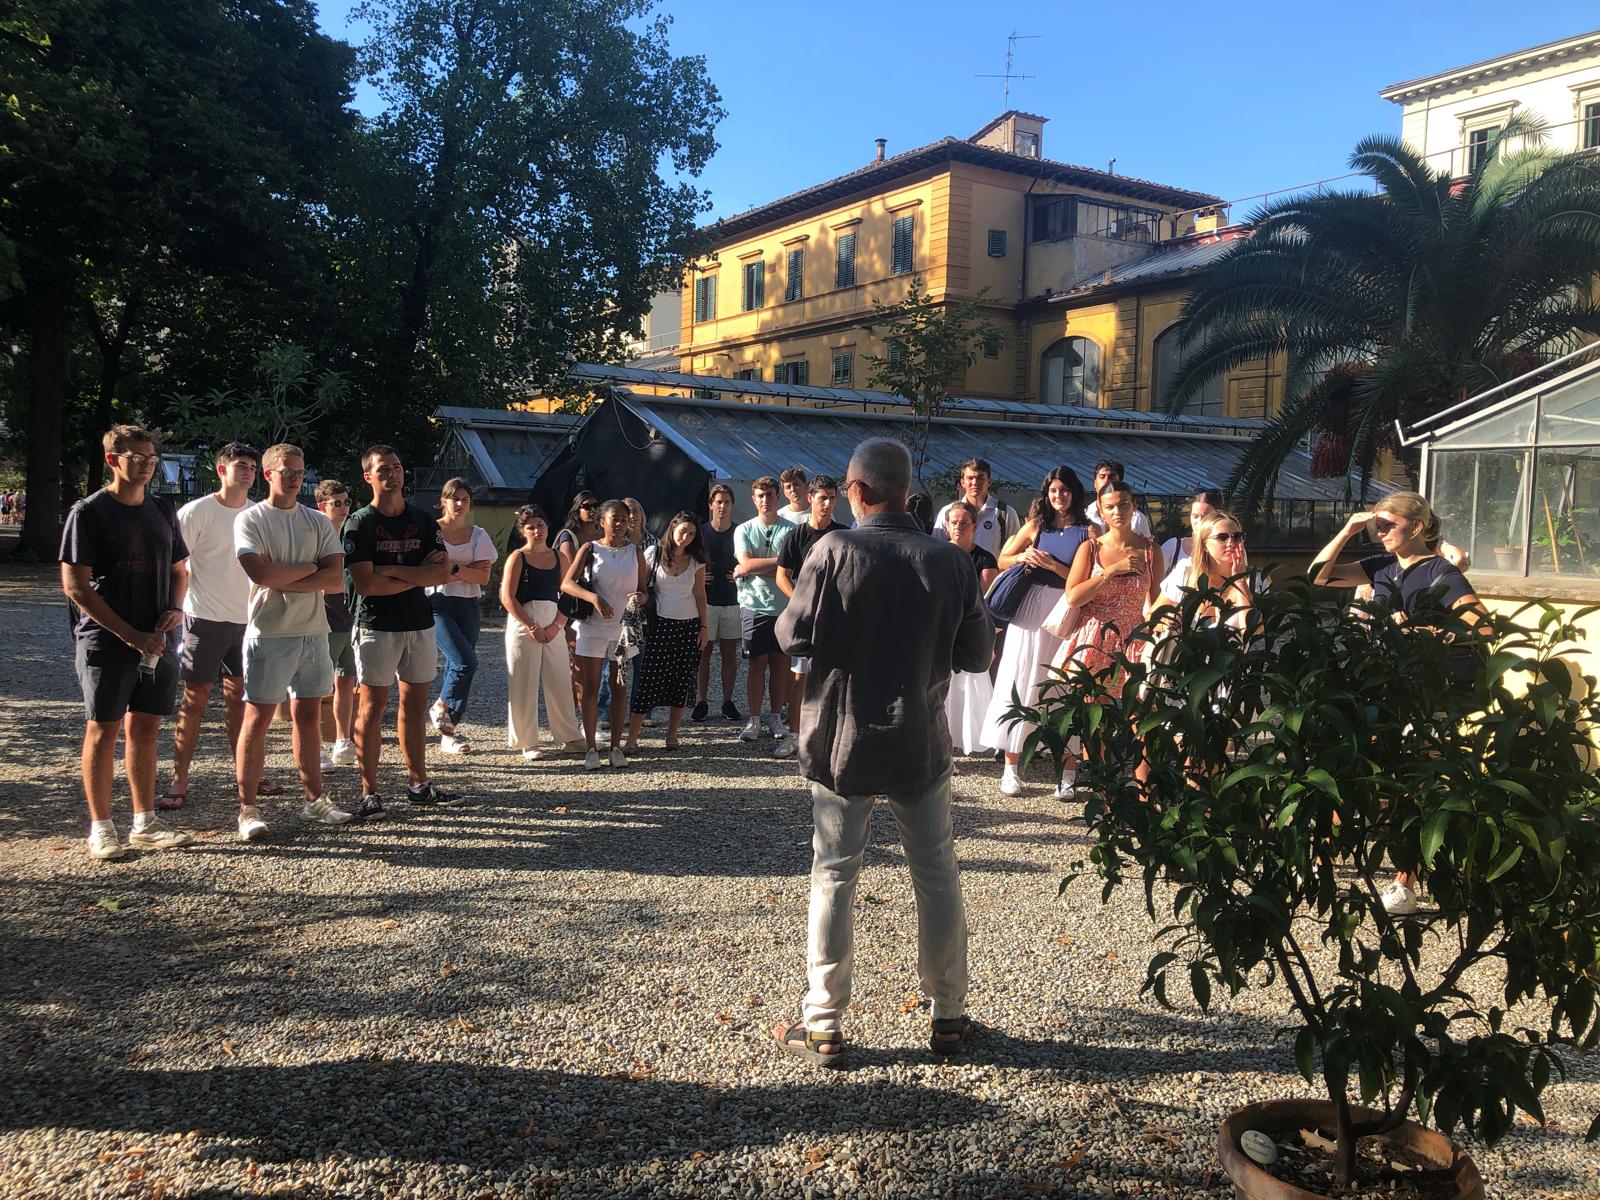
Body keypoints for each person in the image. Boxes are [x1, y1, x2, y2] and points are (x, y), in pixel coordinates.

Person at [771, 438, 993, 1065]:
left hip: (841, 744)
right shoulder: (951, 560)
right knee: (936, 871)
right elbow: (977, 656)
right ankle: (949, 1015)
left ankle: (822, 1022)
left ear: (861, 492)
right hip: (920, 741)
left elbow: (790, 636)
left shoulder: (833, 551)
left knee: (835, 872)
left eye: (846, 487)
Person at [1309, 492, 1486, 916]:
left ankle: (1406, 881)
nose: (1381, 532)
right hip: (1380, 686)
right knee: (1351, 769)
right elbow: (1317, 576)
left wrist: (1424, 631)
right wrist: (1349, 530)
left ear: (1418, 527)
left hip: (1422, 694)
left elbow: (1481, 626)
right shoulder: (1382, 566)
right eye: (1377, 526)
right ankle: (1322, 863)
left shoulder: (1440, 572)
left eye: (1388, 525)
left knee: (1413, 783)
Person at [61, 425, 195, 861]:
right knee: (103, 729)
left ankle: (145, 822)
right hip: (108, 640)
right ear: (112, 459)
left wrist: (175, 608)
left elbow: (181, 568)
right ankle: (101, 827)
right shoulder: (90, 512)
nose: (146, 464)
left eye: (152, 457)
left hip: (157, 639)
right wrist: (129, 634)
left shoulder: (160, 508)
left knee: (146, 728)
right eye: (136, 456)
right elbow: (75, 587)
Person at [232, 444, 353, 838]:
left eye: (300, 472)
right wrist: (307, 569)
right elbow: (260, 574)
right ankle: (248, 809)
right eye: (286, 471)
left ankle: (314, 800)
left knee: (307, 715)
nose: (295, 478)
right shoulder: (251, 519)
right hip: (268, 632)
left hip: (313, 632)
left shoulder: (317, 522)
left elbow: (334, 579)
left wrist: (286, 573)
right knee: (258, 717)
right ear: (268, 474)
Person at [342, 444, 458, 816]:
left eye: (397, 467)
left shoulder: (423, 520)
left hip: (419, 623)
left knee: (413, 705)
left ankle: (418, 784)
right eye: (383, 469)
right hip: (376, 626)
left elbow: (442, 572)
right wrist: (416, 575)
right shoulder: (360, 523)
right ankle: (369, 792)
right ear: (368, 476)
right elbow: (365, 584)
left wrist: (390, 570)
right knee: (372, 708)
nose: (392, 474)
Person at [979, 466, 1093, 797]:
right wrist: (1023, 556)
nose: (1059, 496)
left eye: (1065, 490)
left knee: (1062, 684)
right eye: (1054, 490)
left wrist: (1054, 566)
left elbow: (1085, 576)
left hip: (1064, 607)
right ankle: (1011, 767)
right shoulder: (1036, 525)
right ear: (1047, 493)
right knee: (1019, 678)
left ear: (1075, 493)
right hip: (1029, 606)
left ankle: (1067, 772)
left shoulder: (1089, 531)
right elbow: (1002, 558)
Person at [1053, 480, 1164, 793]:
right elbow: (1073, 596)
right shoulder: (1091, 548)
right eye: (1111, 506)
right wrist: (1111, 570)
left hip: (1136, 637)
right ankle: (1101, 795)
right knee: (1096, 721)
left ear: (1133, 507)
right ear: (1100, 510)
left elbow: (1156, 600)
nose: (1118, 511)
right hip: (1096, 636)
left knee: (1143, 719)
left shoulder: (1151, 549)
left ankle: (1145, 793)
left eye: (1124, 504)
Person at [165, 442, 259, 810]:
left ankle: (245, 775)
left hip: (249, 622)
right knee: (195, 700)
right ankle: (179, 779)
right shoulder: (195, 512)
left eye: (252, 465)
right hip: (203, 619)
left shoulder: (257, 513)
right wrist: (174, 607)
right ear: (221, 470)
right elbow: (177, 566)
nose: (247, 471)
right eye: (240, 464)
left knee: (241, 700)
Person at [562, 499, 649, 770]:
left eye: (625, 518)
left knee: (620, 686)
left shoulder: (635, 552)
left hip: (623, 629)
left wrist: (640, 597)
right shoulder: (590, 548)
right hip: (592, 628)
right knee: (590, 687)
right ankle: (591, 748)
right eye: (616, 518)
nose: (621, 523)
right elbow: (566, 583)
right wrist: (594, 598)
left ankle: (615, 747)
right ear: (602, 521)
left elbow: (645, 590)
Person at [772, 474, 847, 760]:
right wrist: (803, 603)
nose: (827, 503)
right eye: (822, 498)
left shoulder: (842, 534)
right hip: (805, 617)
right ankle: (794, 734)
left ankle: (832, 734)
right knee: (799, 675)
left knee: (835, 674)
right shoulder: (796, 535)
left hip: (836, 617)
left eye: (831, 498)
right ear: (811, 499)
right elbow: (782, 576)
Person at [501, 505, 583, 759]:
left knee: (559, 678)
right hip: (524, 622)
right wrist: (532, 626)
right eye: (531, 527)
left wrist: (558, 625)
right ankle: (528, 740)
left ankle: (569, 735)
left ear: (548, 527)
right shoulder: (518, 557)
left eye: (540, 525)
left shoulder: (560, 557)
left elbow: (568, 595)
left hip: (553, 622)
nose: (537, 531)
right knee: (523, 681)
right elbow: (507, 597)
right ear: (523, 531)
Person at [623, 512, 708, 753]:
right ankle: (632, 738)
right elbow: (643, 586)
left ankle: (672, 735)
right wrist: (639, 598)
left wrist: (704, 627)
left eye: (691, 533)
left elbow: (701, 595)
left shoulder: (696, 560)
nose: (686, 537)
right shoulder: (654, 553)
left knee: (680, 682)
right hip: (659, 624)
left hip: (688, 624)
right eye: (683, 531)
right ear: (672, 529)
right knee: (647, 681)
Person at [426, 478, 496, 754]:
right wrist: (465, 569)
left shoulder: (478, 535)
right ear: (443, 501)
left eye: (465, 499)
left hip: (468, 604)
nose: (460, 503)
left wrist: (453, 567)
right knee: (465, 662)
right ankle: (441, 705)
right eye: (454, 498)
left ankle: (449, 733)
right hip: (437, 602)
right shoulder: (431, 532)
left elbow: (484, 576)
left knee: (458, 667)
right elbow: (430, 570)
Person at [734, 476, 794, 743]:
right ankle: (754, 720)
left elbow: (791, 569)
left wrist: (757, 567)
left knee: (780, 663)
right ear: (754, 499)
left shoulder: (791, 530)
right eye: (760, 495)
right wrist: (777, 565)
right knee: (756, 663)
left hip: (783, 606)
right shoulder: (744, 530)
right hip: (753, 605)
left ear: (777, 497)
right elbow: (745, 563)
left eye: (770, 494)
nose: (765, 500)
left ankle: (776, 719)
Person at [943, 502, 999, 755]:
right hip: (943, 627)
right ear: (946, 525)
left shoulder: (985, 558)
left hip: (970, 628)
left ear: (975, 526)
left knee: (971, 685)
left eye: (964, 523)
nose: (958, 527)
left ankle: (970, 738)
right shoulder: (938, 554)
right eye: (953, 522)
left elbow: (983, 601)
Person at [314, 480, 359, 771]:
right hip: (324, 613)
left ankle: (343, 739)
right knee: (317, 682)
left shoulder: (352, 532)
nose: (343, 508)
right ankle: (314, 744)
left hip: (351, 612)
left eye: (346, 502)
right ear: (322, 506)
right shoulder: (315, 534)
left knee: (346, 680)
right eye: (337, 503)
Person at [693, 483, 743, 723]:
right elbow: (688, 561)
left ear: (733, 505)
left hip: (733, 601)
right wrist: (699, 577)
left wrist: (742, 572)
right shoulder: (700, 533)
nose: (723, 506)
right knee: (703, 652)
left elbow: (750, 560)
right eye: (719, 502)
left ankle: (727, 701)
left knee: (729, 653)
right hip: (706, 602)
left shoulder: (740, 532)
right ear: (711, 505)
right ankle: (701, 700)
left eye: (727, 502)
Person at [932, 458, 1021, 558]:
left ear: (989, 482)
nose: (975, 482)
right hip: (955, 572)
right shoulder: (948, 512)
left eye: (980, 478)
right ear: (962, 483)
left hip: (992, 572)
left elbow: (1015, 552)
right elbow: (936, 549)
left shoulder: (1006, 513)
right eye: (970, 478)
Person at [1156, 488, 1226, 598]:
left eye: (1206, 516)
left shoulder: (1229, 549)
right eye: (1195, 516)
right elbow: (1152, 583)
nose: (1199, 522)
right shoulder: (1174, 547)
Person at [1084, 460, 1154, 539]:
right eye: (1102, 477)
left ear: (1120, 483)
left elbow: (1147, 548)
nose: (1106, 481)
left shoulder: (1137, 518)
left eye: (1111, 477)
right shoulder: (1085, 515)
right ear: (1095, 483)